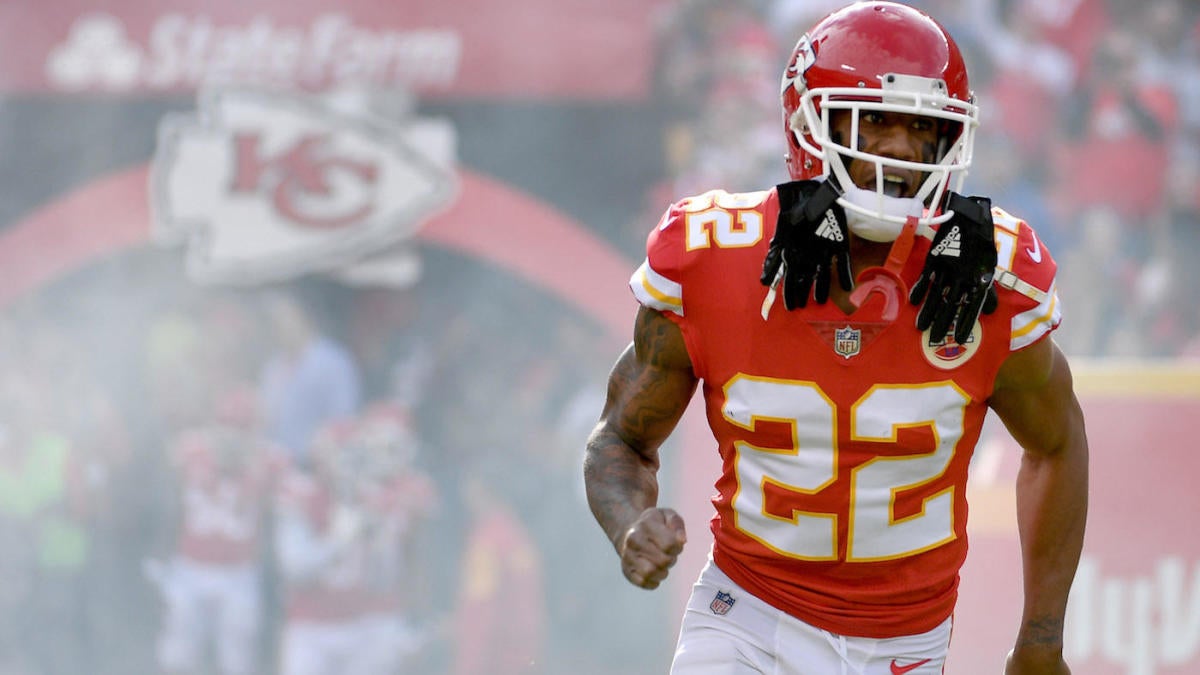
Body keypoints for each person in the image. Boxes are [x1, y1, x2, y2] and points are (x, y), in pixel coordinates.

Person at [583, 3, 1089, 674]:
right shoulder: (717, 256)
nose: (903, 149)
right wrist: (628, 524)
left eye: (924, 126)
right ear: (808, 122)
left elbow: (1056, 444)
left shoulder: (989, 274)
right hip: (747, 618)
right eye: (875, 119)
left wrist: (1042, 636)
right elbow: (620, 436)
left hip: (905, 644)